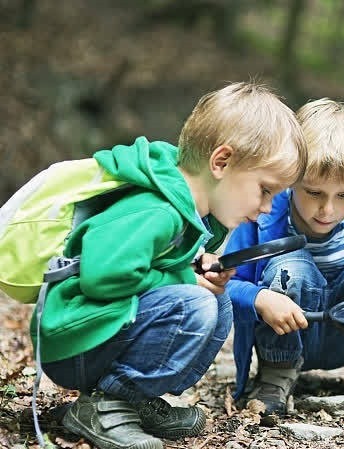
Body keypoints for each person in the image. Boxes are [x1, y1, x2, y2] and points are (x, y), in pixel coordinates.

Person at [32, 82, 307, 449]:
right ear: (221, 162)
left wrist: (196, 265)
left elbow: (154, 264)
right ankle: (104, 407)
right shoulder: (157, 209)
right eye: (265, 189)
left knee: (217, 301)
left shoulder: (185, 212)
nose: (267, 207)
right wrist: (184, 277)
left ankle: (132, 401)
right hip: (75, 343)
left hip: (99, 334)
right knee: (194, 303)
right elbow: (104, 276)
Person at [226, 98, 344, 416]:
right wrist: (260, 298)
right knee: (291, 264)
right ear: (291, 178)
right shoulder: (264, 216)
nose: (328, 210)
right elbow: (228, 285)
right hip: (287, 332)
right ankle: (276, 373)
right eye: (314, 193)